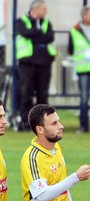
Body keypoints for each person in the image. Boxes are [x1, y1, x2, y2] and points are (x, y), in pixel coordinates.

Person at [15, 0, 55, 132]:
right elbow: (25, 33)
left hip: (44, 64)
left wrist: (35, 35)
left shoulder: (46, 22)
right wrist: (37, 33)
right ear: (36, 9)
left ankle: (43, 124)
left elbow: (49, 37)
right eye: (44, 9)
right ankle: (26, 122)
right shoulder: (21, 21)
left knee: (43, 96)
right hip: (28, 64)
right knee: (26, 93)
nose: (46, 12)